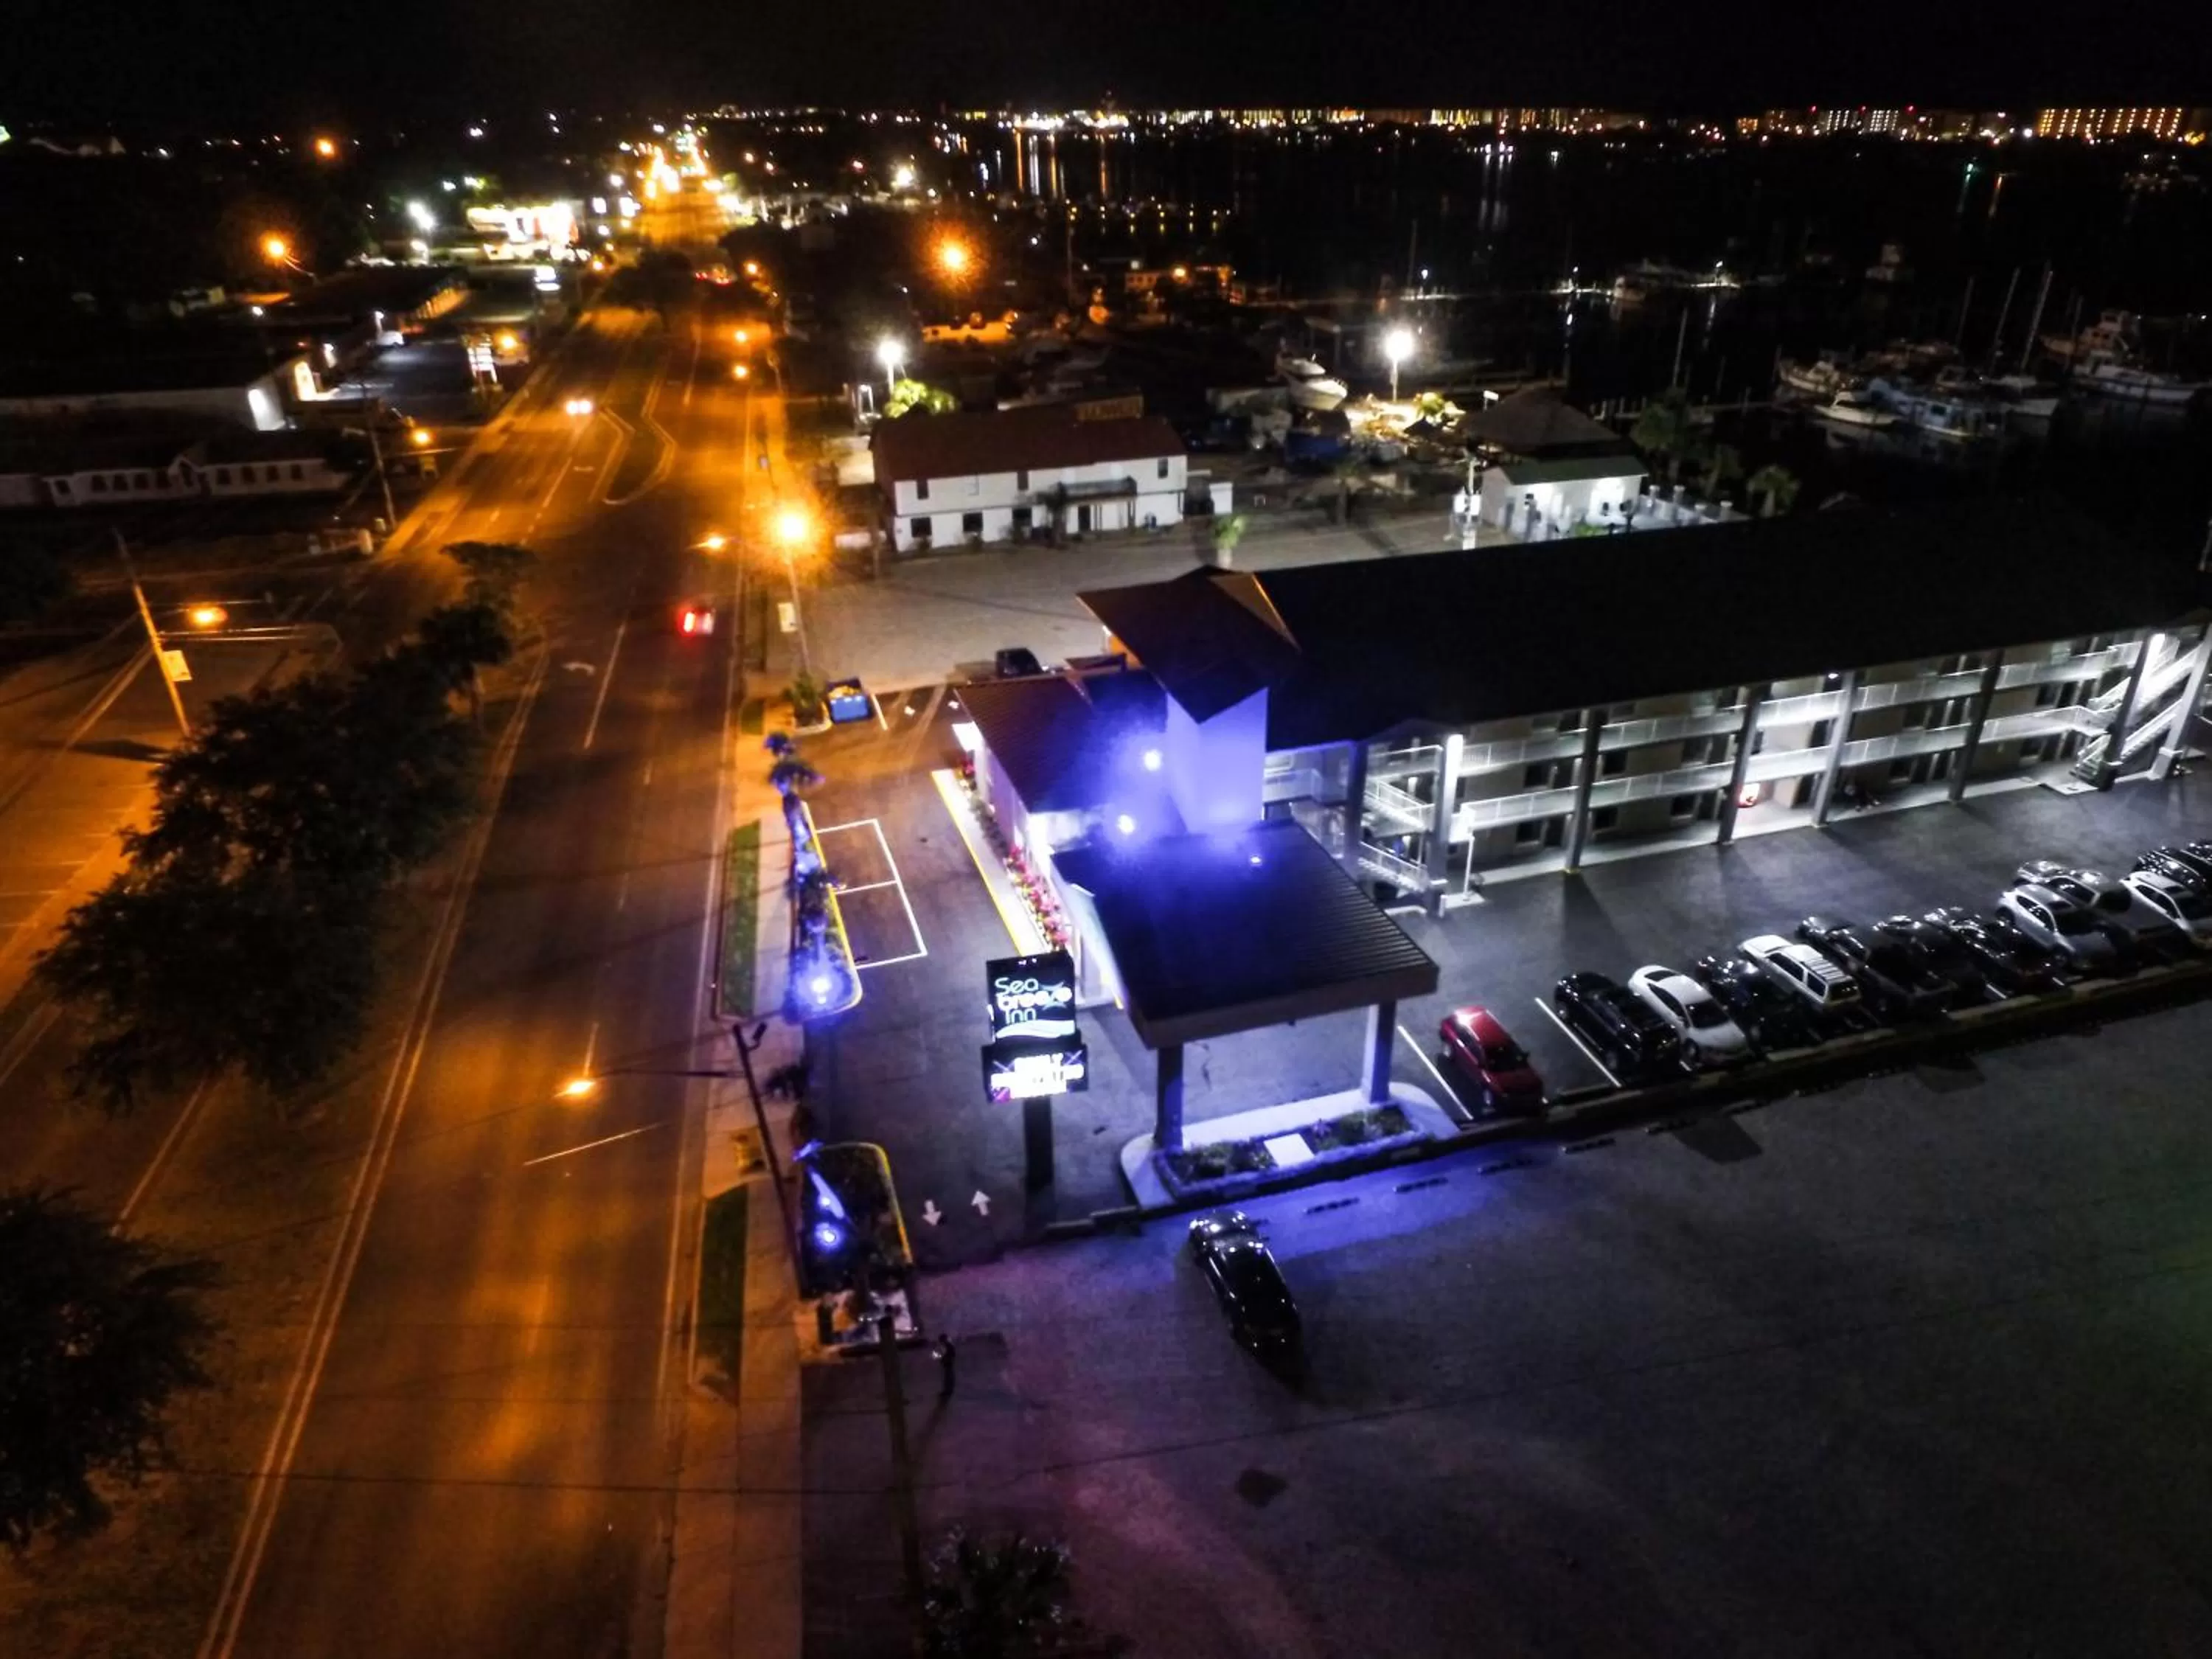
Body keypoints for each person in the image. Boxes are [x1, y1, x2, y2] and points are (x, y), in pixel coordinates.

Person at [931, 1334, 957, 1400]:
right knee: (948, 1377)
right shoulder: (948, 1346)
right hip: (948, 1364)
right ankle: (948, 1390)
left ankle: (948, 1391)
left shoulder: (947, 1346)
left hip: (948, 1364)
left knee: (948, 1378)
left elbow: (944, 1355)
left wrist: (939, 1357)